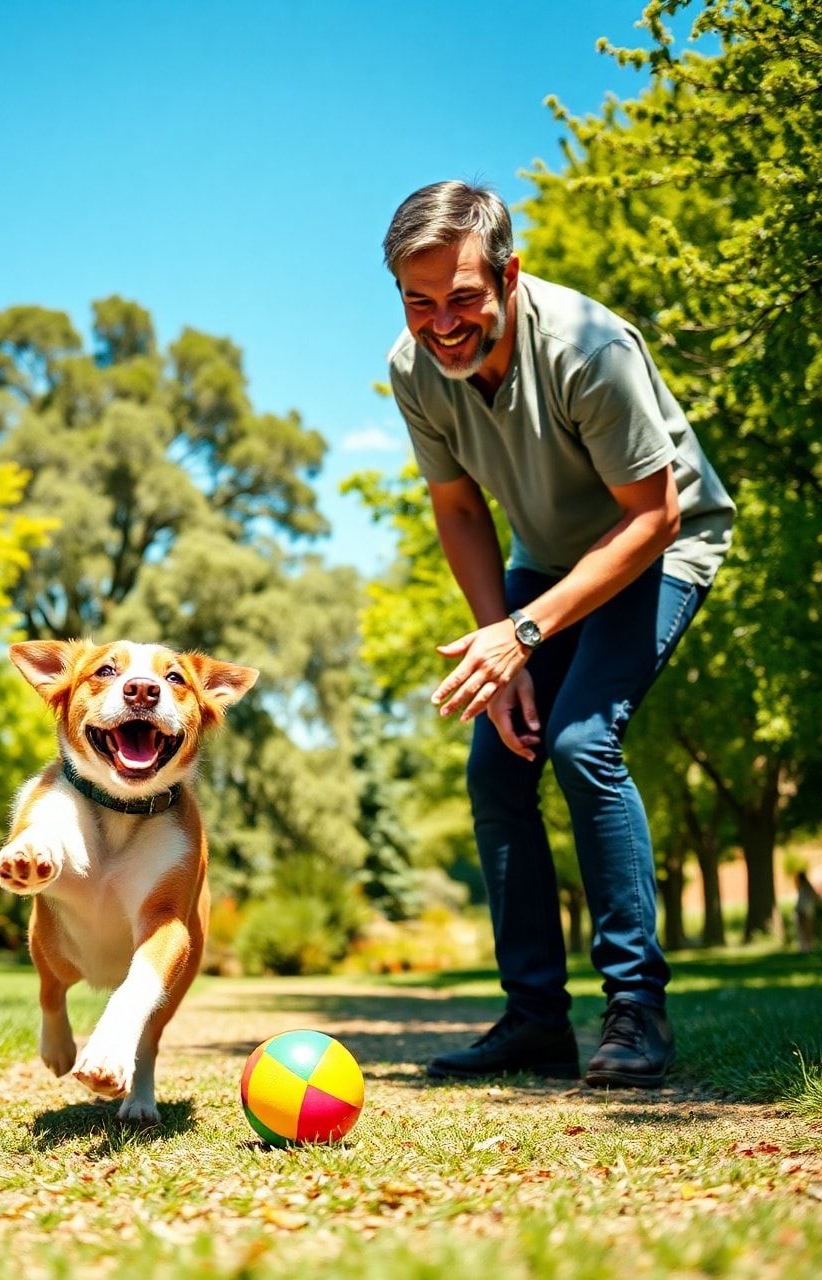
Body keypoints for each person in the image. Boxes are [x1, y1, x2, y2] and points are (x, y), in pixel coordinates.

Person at [382, 180, 734, 1087]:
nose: (443, 324)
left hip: (661, 542)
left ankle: (635, 1011)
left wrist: (526, 632)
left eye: (463, 297)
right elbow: (458, 509)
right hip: (548, 559)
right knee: (499, 763)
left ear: (509, 271)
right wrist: (498, 642)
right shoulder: (413, 370)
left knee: (582, 741)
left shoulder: (588, 348)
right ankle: (536, 1018)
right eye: (420, 302)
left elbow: (652, 516)